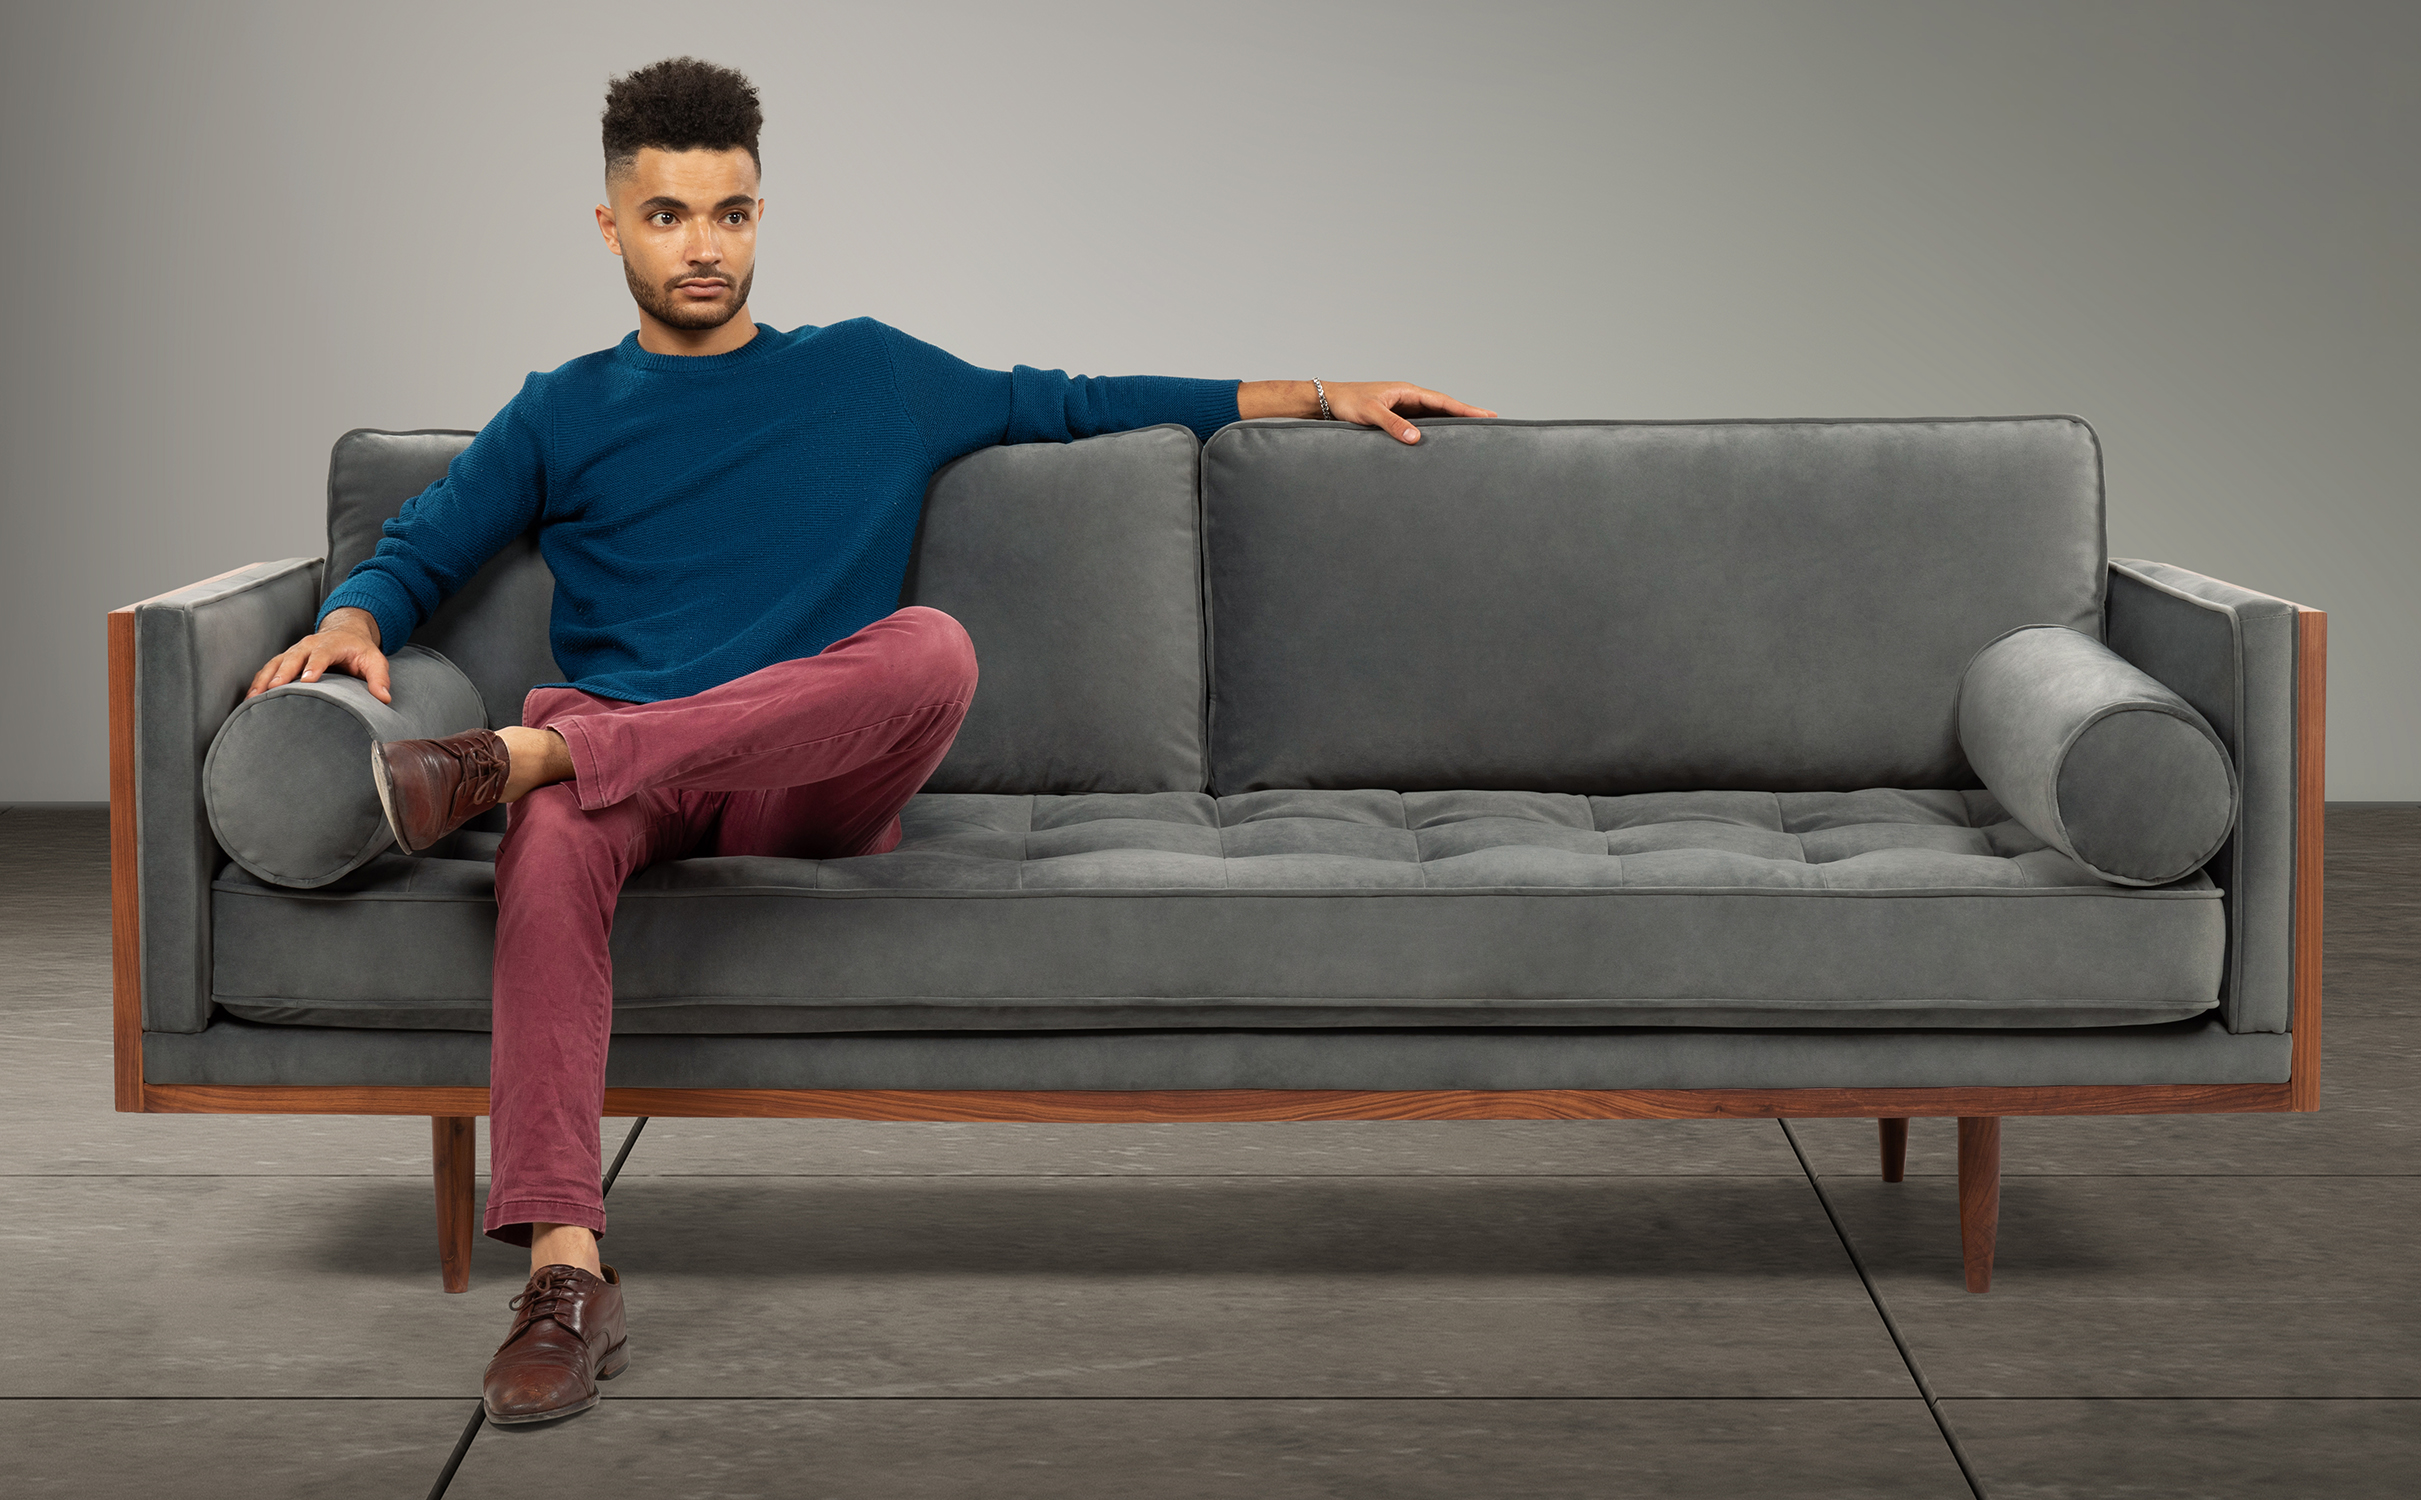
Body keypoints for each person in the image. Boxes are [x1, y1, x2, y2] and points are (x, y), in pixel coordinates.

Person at [244, 56, 1492, 1426]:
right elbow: (422, 540)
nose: (701, 245)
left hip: (805, 772)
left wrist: (1314, 394)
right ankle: (564, 1273)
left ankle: (538, 755)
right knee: (549, 839)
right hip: (633, 783)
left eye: (727, 213)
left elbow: (1080, 398)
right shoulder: (562, 408)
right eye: (666, 216)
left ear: (762, 214)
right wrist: (357, 614)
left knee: (930, 650)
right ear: (610, 228)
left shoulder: (873, 375)